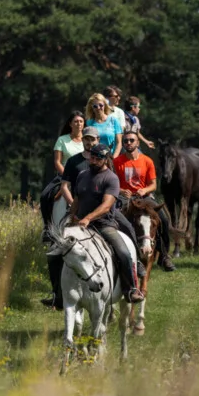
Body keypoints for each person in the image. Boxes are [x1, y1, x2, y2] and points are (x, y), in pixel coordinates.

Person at [70, 144, 146, 303]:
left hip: (104, 225)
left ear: (105, 160)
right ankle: (58, 293)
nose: (93, 161)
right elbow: (77, 199)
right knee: (58, 251)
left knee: (124, 253)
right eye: (92, 157)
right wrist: (72, 217)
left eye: (98, 158)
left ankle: (131, 289)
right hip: (81, 225)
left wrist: (88, 218)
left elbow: (106, 206)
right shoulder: (82, 175)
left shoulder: (111, 178)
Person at [41, 126, 101, 308]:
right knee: (54, 254)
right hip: (75, 211)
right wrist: (73, 205)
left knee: (121, 244)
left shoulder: (104, 160)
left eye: (92, 139)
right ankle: (57, 294)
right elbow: (65, 186)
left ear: (98, 141)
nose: (89, 142)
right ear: (83, 140)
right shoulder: (74, 161)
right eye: (87, 139)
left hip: (100, 213)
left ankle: (128, 286)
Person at [113, 128, 176, 272]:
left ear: (138, 142)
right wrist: (121, 191)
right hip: (124, 198)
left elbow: (153, 185)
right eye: (126, 141)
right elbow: (111, 182)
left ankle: (164, 256)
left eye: (132, 140)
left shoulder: (147, 161)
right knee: (116, 221)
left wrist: (144, 190)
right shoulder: (117, 161)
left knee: (163, 220)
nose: (128, 143)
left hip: (145, 197)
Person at [86, 93, 124, 159]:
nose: (98, 108)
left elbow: (119, 143)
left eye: (101, 105)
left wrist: (113, 158)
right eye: (95, 106)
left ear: (105, 105)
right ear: (92, 107)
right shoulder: (89, 123)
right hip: (95, 160)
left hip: (111, 158)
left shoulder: (113, 120)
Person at [53, 110, 86, 177]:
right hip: (65, 177)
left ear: (84, 124)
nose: (79, 124)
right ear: (70, 124)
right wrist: (67, 177)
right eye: (76, 121)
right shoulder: (62, 140)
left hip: (84, 178)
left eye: (81, 121)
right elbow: (57, 162)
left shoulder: (88, 140)